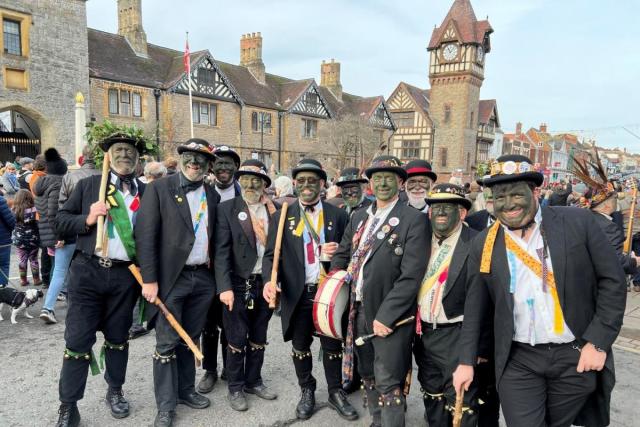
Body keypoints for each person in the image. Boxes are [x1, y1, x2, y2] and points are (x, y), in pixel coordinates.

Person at [453, 154, 627, 427]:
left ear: (535, 192)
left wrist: (597, 342)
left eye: (516, 194)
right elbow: (475, 306)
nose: (508, 204)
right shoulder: (484, 243)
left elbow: (612, 281)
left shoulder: (578, 222)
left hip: (575, 355)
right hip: (518, 359)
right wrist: (465, 361)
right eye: (499, 197)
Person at [53, 133, 149, 427]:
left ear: (138, 159)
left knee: (119, 338)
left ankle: (115, 391)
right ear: (108, 155)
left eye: (130, 151)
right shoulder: (88, 186)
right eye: (118, 150)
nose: (124, 155)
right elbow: (59, 222)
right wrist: (88, 218)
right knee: (78, 341)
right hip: (87, 272)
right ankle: (68, 406)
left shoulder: (146, 193)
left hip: (125, 277)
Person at [331, 155, 429, 427]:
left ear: (400, 182)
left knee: (389, 380)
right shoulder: (360, 216)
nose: (383, 182)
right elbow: (343, 253)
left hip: (390, 316)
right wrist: (333, 283)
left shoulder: (413, 219)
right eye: (377, 178)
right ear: (370, 184)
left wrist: (387, 316)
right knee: (367, 373)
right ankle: (377, 421)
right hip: (358, 309)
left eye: (390, 177)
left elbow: (411, 276)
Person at [263, 158, 357, 421]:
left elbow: (350, 252)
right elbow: (272, 256)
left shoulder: (338, 215)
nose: (307, 185)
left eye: (312, 180)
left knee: (332, 345)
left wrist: (338, 251)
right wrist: (270, 281)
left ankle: (336, 391)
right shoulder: (282, 215)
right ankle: (307, 389)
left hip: (328, 291)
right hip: (298, 292)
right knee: (300, 345)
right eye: (301, 180)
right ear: (295, 183)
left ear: (322, 184)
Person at [136, 138, 219, 427]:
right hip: (172, 279)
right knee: (168, 342)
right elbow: (145, 236)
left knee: (190, 339)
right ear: (180, 158)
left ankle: (185, 391)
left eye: (201, 159)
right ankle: (166, 406)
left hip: (203, 279)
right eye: (189, 157)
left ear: (209, 164)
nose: (194, 162)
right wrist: (149, 280)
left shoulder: (212, 194)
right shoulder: (159, 188)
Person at [413, 183, 480, 426]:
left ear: (462, 213)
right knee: (432, 394)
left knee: (461, 401)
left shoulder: (476, 243)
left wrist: (478, 348)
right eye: (435, 208)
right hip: (423, 333)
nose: (440, 213)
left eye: (448, 208)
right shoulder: (418, 240)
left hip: (458, 335)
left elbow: (487, 302)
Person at [216, 159, 278, 411]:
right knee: (236, 336)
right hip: (237, 283)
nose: (251, 184)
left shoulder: (276, 211)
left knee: (259, 334)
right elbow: (220, 252)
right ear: (239, 182)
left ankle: (254, 380)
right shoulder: (227, 209)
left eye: (256, 180)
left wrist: (274, 281)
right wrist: (224, 287)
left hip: (265, 283)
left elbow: (276, 251)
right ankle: (235, 386)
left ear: (264, 184)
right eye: (246, 179)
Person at [197, 145, 241, 394]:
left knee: (230, 321)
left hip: (234, 270)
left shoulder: (243, 193)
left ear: (236, 167)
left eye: (228, 163)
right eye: (219, 163)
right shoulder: (202, 192)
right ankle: (210, 370)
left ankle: (230, 367)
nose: (223, 168)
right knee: (208, 323)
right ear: (211, 166)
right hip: (206, 268)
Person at [571, 150, 639, 276]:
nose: (616, 200)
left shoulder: (584, 218)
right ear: (607, 205)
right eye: (613, 199)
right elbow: (615, 262)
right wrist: (635, 261)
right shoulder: (608, 227)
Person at [129, 160, 167, 340]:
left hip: (136, 245)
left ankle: (138, 322)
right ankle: (138, 323)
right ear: (162, 176)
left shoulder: (138, 187)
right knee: (146, 285)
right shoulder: (151, 191)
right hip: (148, 246)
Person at [34, 148, 68, 324]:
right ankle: (48, 308)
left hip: (48, 234)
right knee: (62, 271)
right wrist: (60, 236)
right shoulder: (56, 184)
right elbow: (54, 213)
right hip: (59, 235)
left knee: (60, 270)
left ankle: (52, 305)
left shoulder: (41, 184)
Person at [11, 189, 40, 286]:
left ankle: (23, 280)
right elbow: (37, 223)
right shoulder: (34, 210)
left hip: (20, 240)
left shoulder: (14, 210)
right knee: (33, 259)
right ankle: (36, 279)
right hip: (33, 239)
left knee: (22, 260)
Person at [0, 192, 15, 287]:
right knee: (4, 265)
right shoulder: (1, 200)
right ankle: (2, 289)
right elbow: (11, 221)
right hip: (3, 239)